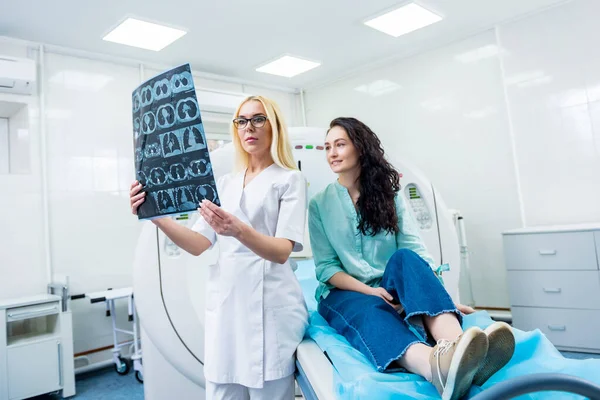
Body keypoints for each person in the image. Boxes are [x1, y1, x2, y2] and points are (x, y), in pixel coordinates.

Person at [308, 117, 515, 400]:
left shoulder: (388, 196)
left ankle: (459, 348)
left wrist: (439, 296)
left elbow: (415, 251)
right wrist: (370, 291)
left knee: (405, 256)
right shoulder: (319, 204)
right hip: (345, 291)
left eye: (340, 144)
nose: (332, 152)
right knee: (369, 309)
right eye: (327, 146)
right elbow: (326, 268)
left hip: (391, 283)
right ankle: (434, 367)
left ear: (360, 148)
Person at [130, 96, 308, 400]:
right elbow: (199, 243)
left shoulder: (290, 179)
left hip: (270, 310)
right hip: (227, 308)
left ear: (273, 125)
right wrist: (156, 218)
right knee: (221, 391)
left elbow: (281, 251)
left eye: (258, 119)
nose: (248, 127)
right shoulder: (224, 183)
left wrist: (237, 229)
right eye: (241, 121)